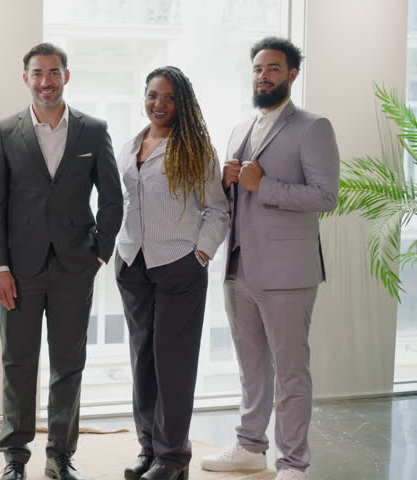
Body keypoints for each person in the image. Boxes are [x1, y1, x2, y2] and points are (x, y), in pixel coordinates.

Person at [200, 37, 339, 480]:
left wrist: (265, 185)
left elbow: (325, 196)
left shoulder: (314, 127)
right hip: (239, 268)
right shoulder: (241, 128)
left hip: (287, 273)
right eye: (259, 68)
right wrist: (226, 183)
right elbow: (235, 199)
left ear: (292, 74)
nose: (264, 75)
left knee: (291, 372)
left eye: (274, 68)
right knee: (251, 366)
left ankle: (294, 462)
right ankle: (249, 447)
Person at [0, 42, 123, 480]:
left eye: (54, 73)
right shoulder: (4, 131)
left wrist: (97, 255)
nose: (46, 82)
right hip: (18, 271)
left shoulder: (93, 130)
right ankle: (15, 457)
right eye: (38, 74)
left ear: (67, 76)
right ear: (26, 78)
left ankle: (59, 454)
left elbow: (113, 199)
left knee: (69, 362)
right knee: (17, 363)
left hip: (72, 268)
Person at [114, 66, 230, 480]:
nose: (157, 104)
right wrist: (120, 254)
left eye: (167, 97)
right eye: (151, 95)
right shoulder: (131, 145)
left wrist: (200, 254)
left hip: (178, 266)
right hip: (133, 265)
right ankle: (148, 449)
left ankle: (173, 457)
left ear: (182, 102)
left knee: (173, 364)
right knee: (142, 361)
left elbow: (217, 208)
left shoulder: (196, 149)